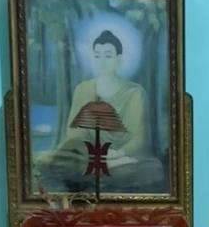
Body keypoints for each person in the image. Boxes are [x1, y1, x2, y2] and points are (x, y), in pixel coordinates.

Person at [36, 29, 163, 194]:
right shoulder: (83, 89)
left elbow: (140, 139)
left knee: (149, 169)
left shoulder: (135, 93)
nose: (102, 61)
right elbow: (74, 134)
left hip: (121, 158)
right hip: (88, 156)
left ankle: (96, 175)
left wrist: (114, 154)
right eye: (97, 56)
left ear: (119, 59)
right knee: (52, 161)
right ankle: (96, 173)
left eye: (108, 55)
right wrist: (94, 154)